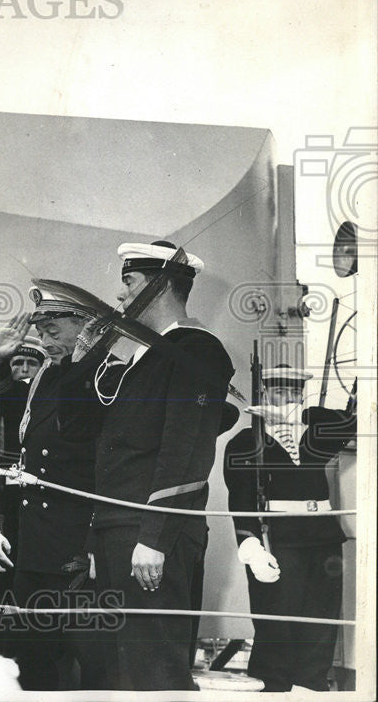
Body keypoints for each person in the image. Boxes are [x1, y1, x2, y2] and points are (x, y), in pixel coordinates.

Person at [88, 240, 234, 691]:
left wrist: (153, 538)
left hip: (152, 534)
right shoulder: (147, 355)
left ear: (158, 286)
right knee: (124, 668)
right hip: (121, 529)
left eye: (129, 282)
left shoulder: (195, 348)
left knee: (156, 668)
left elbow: (186, 451)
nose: (120, 295)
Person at [0, 295, 114, 690]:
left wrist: (94, 540)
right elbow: (7, 408)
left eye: (52, 330)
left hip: (76, 539)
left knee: (83, 646)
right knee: (31, 647)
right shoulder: (49, 375)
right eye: (40, 331)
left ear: (85, 325)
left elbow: (106, 464)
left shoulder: (106, 375)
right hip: (37, 536)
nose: (44, 340)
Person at [223, 365, 356, 692]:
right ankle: (275, 690)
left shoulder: (314, 429)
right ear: (266, 392)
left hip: (323, 538)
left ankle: (312, 689)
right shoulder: (246, 441)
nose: (289, 398)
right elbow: (240, 500)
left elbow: (351, 422)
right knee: (277, 632)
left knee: (321, 627)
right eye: (280, 391)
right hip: (279, 540)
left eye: (295, 391)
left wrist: (299, 417)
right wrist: (250, 546)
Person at [0, 328, 47, 658]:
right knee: (4, 583)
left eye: (32, 364)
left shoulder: (52, 404)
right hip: (5, 507)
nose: (23, 371)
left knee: (37, 590)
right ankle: (6, 656)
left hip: (45, 513)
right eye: (16, 364)